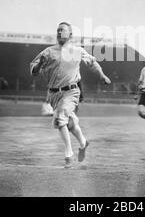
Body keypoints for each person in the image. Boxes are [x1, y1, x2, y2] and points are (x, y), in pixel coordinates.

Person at [30, 22, 111, 168]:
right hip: (54, 94)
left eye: (63, 30)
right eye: (58, 30)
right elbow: (34, 71)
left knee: (60, 118)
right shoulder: (47, 52)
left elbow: (93, 63)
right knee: (71, 124)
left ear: (70, 35)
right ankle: (83, 143)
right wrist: (38, 64)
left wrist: (103, 76)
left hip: (71, 91)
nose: (59, 32)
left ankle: (68, 156)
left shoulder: (77, 51)